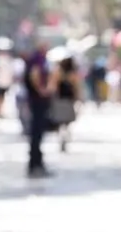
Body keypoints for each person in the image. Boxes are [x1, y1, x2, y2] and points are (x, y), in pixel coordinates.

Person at [24, 41, 52, 178]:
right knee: (37, 133)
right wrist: (42, 90)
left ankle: (37, 163)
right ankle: (35, 164)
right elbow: (34, 75)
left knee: (38, 133)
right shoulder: (38, 59)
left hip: (37, 101)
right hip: (37, 101)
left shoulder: (38, 59)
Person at [47, 56, 82, 152]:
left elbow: (52, 87)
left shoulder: (58, 73)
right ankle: (64, 136)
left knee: (60, 121)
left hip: (59, 100)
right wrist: (78, 99)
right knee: (66, 122)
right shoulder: (73, 75)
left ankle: (62, 136)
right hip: (68, 101)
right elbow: (77, 88)